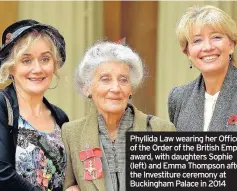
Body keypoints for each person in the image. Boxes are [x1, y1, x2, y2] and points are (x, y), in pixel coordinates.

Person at [62, 40, 175, 191]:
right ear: (87, 88)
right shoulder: (72, 133)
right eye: (105, 79)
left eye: (123, 80)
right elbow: (68, 186)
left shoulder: (161, 130)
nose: (115, 88)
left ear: (131, 89)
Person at [0, 19, 69, 191]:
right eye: (26, 60)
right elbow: (0, 176)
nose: (37, 69)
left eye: (45, 59)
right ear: (11, 68)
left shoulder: (60, 118)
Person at [168, 5, 237, 131]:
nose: (207, 47)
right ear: (187, 53)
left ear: (231, 45)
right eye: (197, 40)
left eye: (216, 37)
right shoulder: (179, 98)